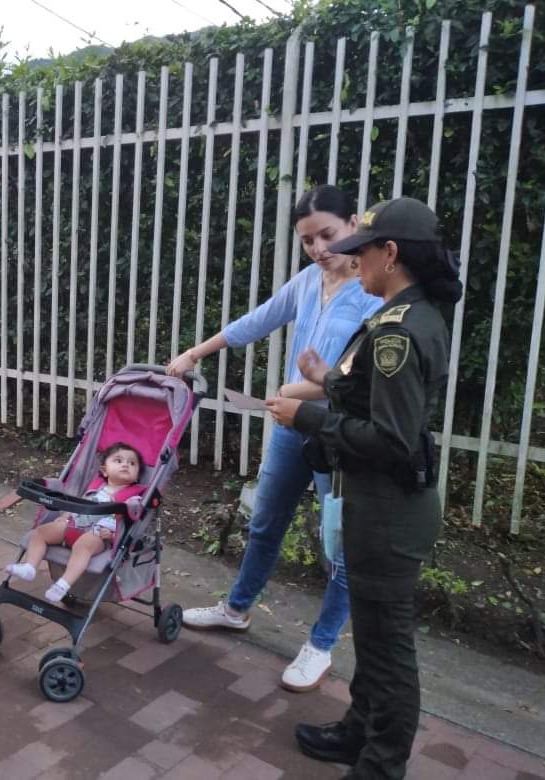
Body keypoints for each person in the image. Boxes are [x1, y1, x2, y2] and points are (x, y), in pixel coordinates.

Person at [266, 197, 461, 779]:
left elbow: (392, 439)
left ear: (390, 254)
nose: (352, 262)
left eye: (361, 252)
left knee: (388, 648)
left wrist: (307, 417)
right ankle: (358, 732)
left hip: (388, 512)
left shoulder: (401, 330)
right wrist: (326, 379)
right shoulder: (397, 316)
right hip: (375, 506)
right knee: (374, 641)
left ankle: (380, 765)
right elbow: (368, 391)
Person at [167, 185, 382, 691]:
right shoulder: (309, 281)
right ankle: (237, 608)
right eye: (308, 241)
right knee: (265, 521)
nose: (319, 249)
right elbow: (257, 321)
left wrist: (290, 389)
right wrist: (196, 353)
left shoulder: (374, 293)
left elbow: (357, 376)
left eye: (327, 235)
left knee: (340, 547)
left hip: (341, 434)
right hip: (292, 427)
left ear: (353, 223)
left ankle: (321, 645)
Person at [5, 442, 145, 604]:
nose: (125, 465)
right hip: (73, 525)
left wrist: (113, 535)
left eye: (132, 463)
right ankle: (30, 567)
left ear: (137, 475)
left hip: (98, 534)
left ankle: (63, 584)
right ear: (104, 470)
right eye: (118, 461)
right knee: (41, 532)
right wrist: (64, 516)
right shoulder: (95, 488)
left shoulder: (133, 498)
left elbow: (130, 522)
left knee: (83, 546)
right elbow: (79, 504)